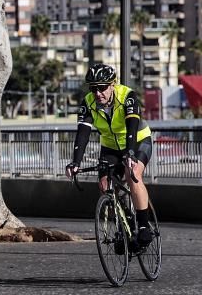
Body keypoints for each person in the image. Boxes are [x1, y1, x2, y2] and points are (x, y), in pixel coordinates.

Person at [65, 63, 155, 248]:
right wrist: (75, 162)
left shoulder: (127, 96)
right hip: (111, 146)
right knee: (105, 185)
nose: (98, 93)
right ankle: (125, 226)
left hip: (137, 140)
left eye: (102, 87)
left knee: (133, 175)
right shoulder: (89, 103)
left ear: (113, 84)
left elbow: (131, 126)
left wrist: (130, 152)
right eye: (93, 88)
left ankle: (144, 225)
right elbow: (82, 134)